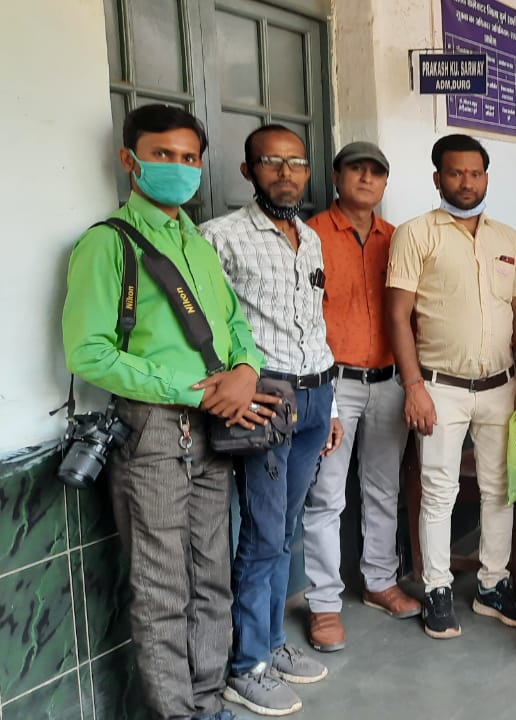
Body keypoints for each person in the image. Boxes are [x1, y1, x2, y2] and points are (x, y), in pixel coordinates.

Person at [63, 103, 270, 720]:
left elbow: (234, 325)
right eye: (162, 155)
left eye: (189, 157)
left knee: (211, 576)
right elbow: (89, 352)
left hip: (215, 429)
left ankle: (207, 702)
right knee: (161, 588)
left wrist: (245, 372)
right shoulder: (106, 244)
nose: (178, 168)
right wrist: (193, 390)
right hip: (153, 432)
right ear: (130, 160)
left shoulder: (196, 242)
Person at [202, 125, 344, 717]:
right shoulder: (219, 238)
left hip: (315, 395)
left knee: (284, 531)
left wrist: (332, 407)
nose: (286, 174)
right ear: (248, 170)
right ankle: (246, 666)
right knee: (262, 535)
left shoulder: (308, 238)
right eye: (271, 162)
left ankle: (271, 641)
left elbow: (316, 324)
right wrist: (227, 389)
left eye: (297, 163)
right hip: (264, 400)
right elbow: (207, 329)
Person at [385, 133, 516, 640]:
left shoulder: (507, 238)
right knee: (439, 491)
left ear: (486, 178)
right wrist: (413, 385)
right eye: (455, 173)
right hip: (439, 387)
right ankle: (437, 588)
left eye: (475, 173)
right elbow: (398, 314)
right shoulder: (415, 234)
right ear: (438, 178)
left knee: (500, 489)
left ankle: (492, 585)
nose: (466, 182)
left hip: (501, 386)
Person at [302, 141, 418, 654]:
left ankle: (379, 581)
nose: (366, 179)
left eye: (376, 172)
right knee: (326, 495)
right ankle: (324, 603)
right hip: (333, 384)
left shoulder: (399, 239)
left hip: (389, 380)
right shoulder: (310, 235)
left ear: (385, 182)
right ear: (336, 176)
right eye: (356, 170)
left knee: (383, 489)